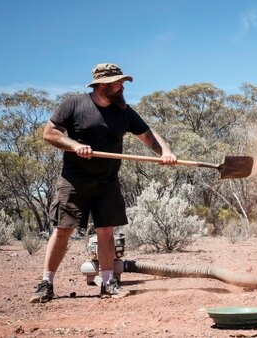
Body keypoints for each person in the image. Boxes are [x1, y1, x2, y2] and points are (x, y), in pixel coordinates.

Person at [30, 63, 177, 303]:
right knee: (63, 230)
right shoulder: (74, 104)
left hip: (107, 182)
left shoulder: (124, 111)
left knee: (106, 231)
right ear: (101, 85)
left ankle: (108, 282)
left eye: (122, 83)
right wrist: (75, 146)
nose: (122, 87)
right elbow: (50, 133)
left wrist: (165, 152)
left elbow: (147, 134)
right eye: (118, 83)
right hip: (74, 181)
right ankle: (46, 283)